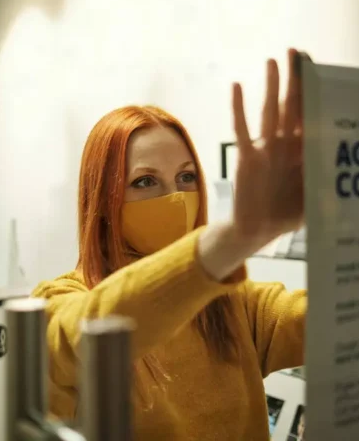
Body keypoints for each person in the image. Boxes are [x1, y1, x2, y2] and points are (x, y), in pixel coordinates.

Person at [33, 47, 306, 440]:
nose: (176, 197)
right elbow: (87, 336)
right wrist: (236, 237)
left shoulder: (231, 303)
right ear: (104, 201)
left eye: (186, 177)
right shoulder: (60, 299)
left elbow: (320, 319)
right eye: (145, 182)